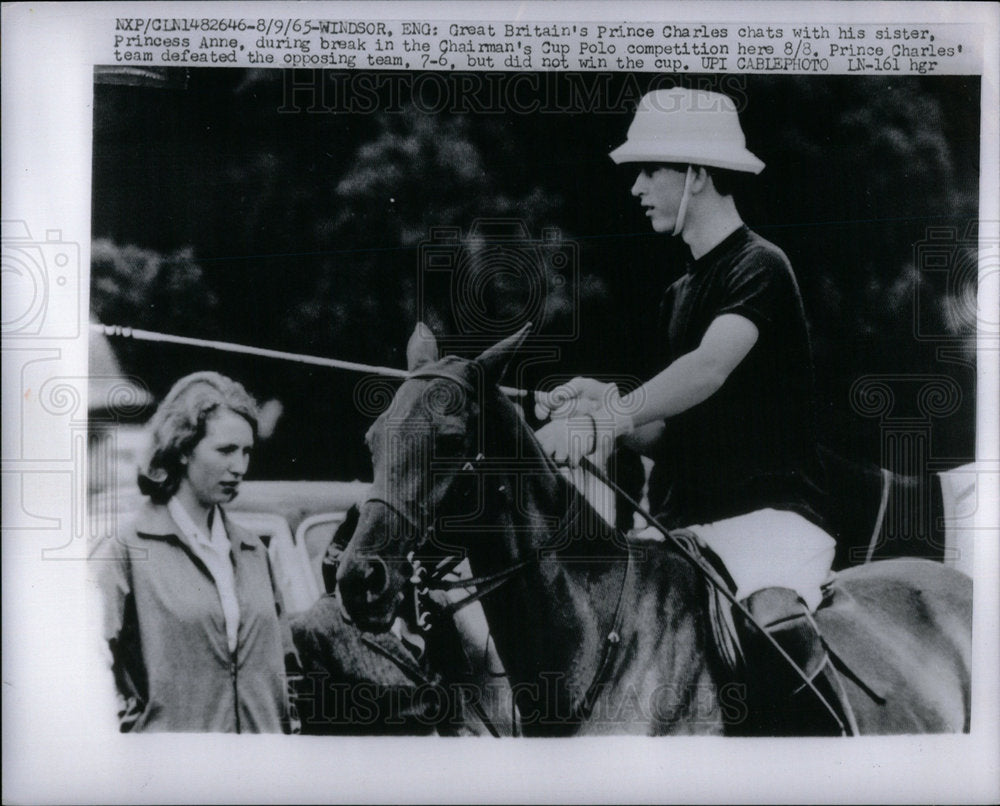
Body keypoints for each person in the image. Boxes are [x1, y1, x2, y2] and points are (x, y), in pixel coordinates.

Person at [535, 88, 853, 734]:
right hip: (684, 530)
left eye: (651, 170)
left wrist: (609, 417)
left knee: (773, 632)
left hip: (769, 523)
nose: (637, 188)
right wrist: (604, 399)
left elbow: (708, 369)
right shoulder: (677, 294)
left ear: (699, 175)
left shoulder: (763, 267)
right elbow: (665, 430)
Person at [96, 371, 294, 732]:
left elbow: (286, 669)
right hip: (174, 778)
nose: (240, 467)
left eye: (247, 451)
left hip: (262, 776)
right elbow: (88, 668)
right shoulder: (129, 549)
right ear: (184, 448)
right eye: (226, 450)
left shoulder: (254, 551)